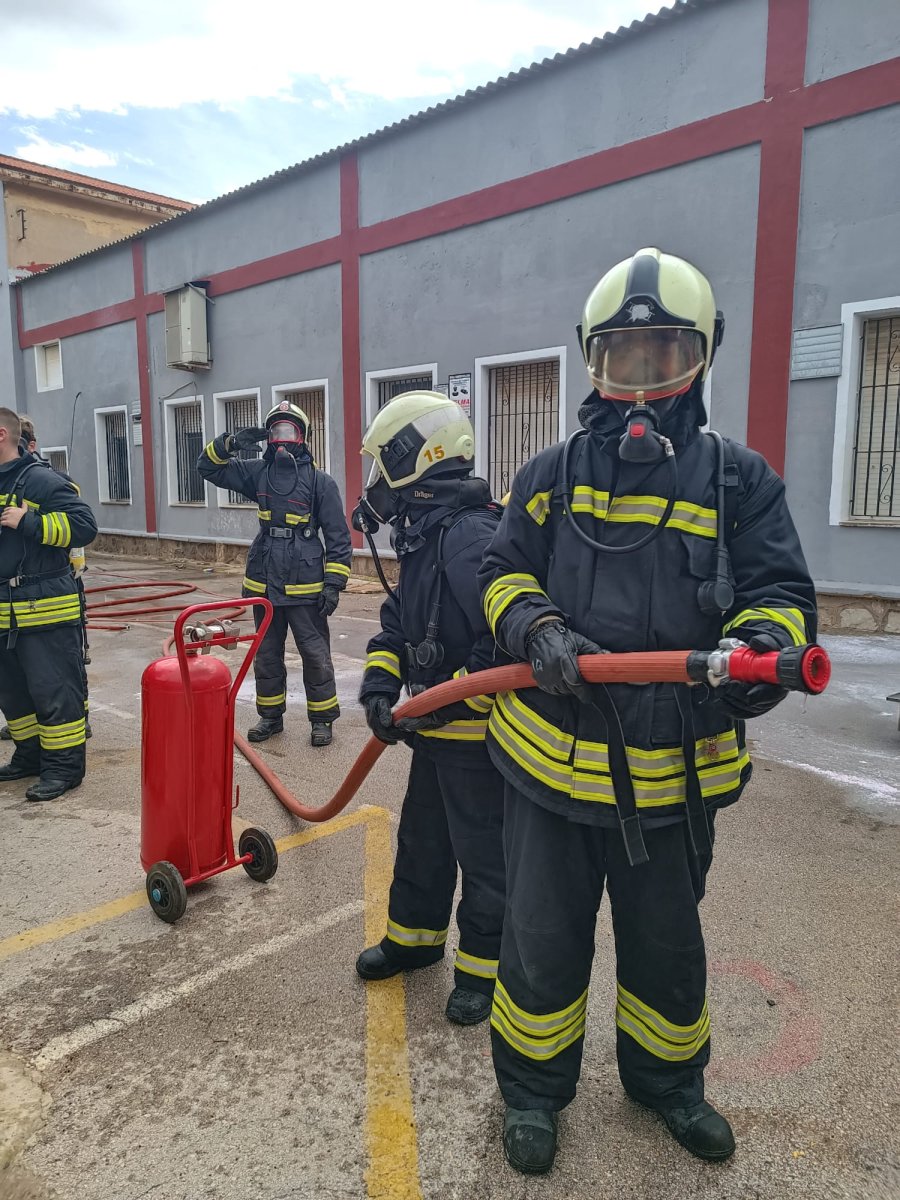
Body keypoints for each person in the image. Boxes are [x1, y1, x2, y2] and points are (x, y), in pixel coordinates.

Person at [476, 247, 818, 1174]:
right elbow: (500, 572)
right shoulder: (549, 474)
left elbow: (782, 594)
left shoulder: (739, 481)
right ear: (592, 359)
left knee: (667, 949)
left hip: (673, 780)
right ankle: (533, 1095)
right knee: (541, 945)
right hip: (550, 774)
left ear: (700, 358)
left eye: (662, 355)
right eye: (619, 357)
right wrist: (536, 628)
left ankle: (668, 1084)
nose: (638, 382)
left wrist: (757, 657)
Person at [353, 391, 507, 1026]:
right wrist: (380, 688)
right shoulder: (427, 533)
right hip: (437, 737)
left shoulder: (470, 535)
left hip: (479, 744)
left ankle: (482, 974)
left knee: (486, 859)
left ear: (417, 459)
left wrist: (448, 698)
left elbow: (503, 640)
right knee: (423, 844)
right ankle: (414, 943)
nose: (376, 482)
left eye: (384, 464)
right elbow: (397, 624)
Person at [198, 400, 351, 747]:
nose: (282, 438)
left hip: (305, 585)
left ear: (302, 437)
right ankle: (270, 717)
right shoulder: (258, 473)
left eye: (289, 430)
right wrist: (230, 444)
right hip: (264, 582)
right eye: (276, 430)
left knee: (315, 654)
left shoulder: (320, 482)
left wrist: (334, 583)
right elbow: (207, 468)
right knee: (266, 654)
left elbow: (339, 538)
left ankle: (322, 719)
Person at [0, 407, 97, 801]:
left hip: (45, 612)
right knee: (14, 695)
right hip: (5, 615)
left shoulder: (39, 480)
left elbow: (85, 526)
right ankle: (30, 756)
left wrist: (30, 523)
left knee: (54, 692)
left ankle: (64, 769)